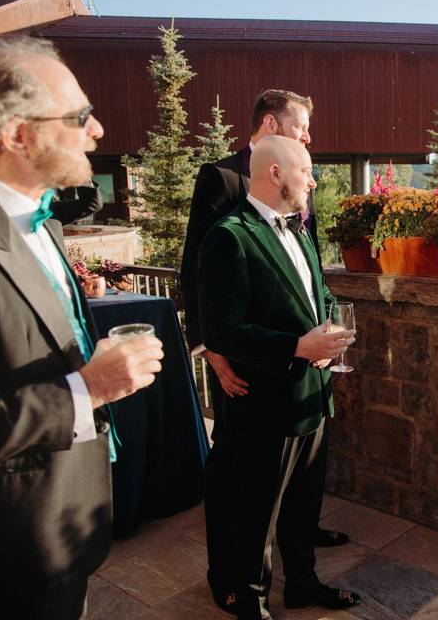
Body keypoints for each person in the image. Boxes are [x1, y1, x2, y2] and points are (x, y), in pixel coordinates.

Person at [0, 36, 164, 620]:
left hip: (64, 530)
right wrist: (89, 390)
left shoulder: (43, 221)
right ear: (17, 135)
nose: (98, 129)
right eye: (79, 116)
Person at [180, 91, 346, 613]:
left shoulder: (297, 217)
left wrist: (331, 327)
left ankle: (303, 581)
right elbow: (204, 286)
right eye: (307, 165)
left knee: (302, 499)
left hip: (311, 392)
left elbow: (317, 287)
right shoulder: (227, 211)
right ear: (275, 171)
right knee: (248, 500)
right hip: (256, 384)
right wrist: (213, 351)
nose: (314, 178)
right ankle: (240, 590)